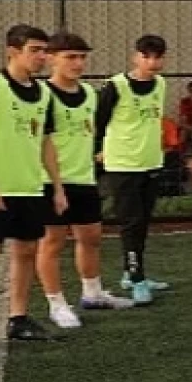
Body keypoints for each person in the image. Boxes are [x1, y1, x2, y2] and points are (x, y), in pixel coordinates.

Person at [0, 25, 68, 361]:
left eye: (45, 51)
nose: (42, 57)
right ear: (12, 51)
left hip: (30, 187)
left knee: (26, 251)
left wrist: (57, 187)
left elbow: (46, 142)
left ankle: (18, 318)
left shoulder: (44, 92)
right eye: (35, 50)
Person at [35, 32, 134, 327]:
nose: (78, 63)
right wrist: (55, 184)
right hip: (49, 180)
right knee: (52, 242)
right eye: (70, 57)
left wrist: (99, 152)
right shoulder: (42, 94)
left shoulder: (90, 94)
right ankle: (56, 304)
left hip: (84, 177)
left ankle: (93, 293)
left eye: (82, 57)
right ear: (51, 58)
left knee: (91, 237)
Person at [96, 34, 169, 305]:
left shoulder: (161, 84)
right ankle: (137, 279)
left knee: (144, 221)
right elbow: (98, 121)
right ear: (135, 57)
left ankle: (131, 272)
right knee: (131, 222)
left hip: (151, 162)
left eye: (158, 57)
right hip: (123, 164)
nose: (153, 62)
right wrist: (98, 150)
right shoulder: (116, 86)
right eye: (147, 56)